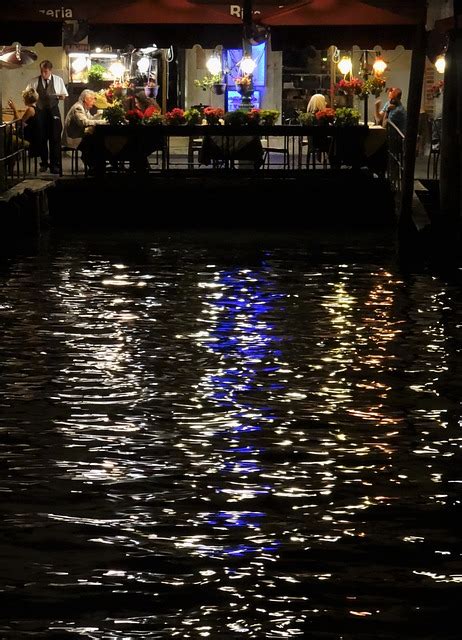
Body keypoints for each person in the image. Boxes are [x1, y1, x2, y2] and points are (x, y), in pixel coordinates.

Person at [25, 59, 68, 174]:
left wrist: (59, 96)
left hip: (53, 111)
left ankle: (55, 165)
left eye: (45, 71)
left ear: (50, 70)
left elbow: (64, 95)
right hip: (40, 112)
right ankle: (44, 163)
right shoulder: (34, 81)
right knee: (42, 138)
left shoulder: (58, 80)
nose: (43, 73)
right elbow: (27, 96)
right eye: (42, 71)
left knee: (55, 139)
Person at [62, 89, 106, 173]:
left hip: (79, 135)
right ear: (86, 99)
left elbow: (90, 119)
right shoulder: (78, 107)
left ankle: (95, 165)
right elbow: (85, 122)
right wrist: (102, 122)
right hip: (74, 138)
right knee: (94, 141)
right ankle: (93, 165)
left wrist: (98, 115)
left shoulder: (84, 108)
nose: (94, 101)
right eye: (93, 99)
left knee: (95, 140)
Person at [7, 88, 40, 159]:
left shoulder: (30, 110)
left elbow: (19, 123)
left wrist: (14, 109)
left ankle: (9, 162)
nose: (23, 100)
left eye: (24, 98)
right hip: (33, 135)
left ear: (28, 99)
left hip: (30, 138)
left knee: (8, 138)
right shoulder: (35, 108)